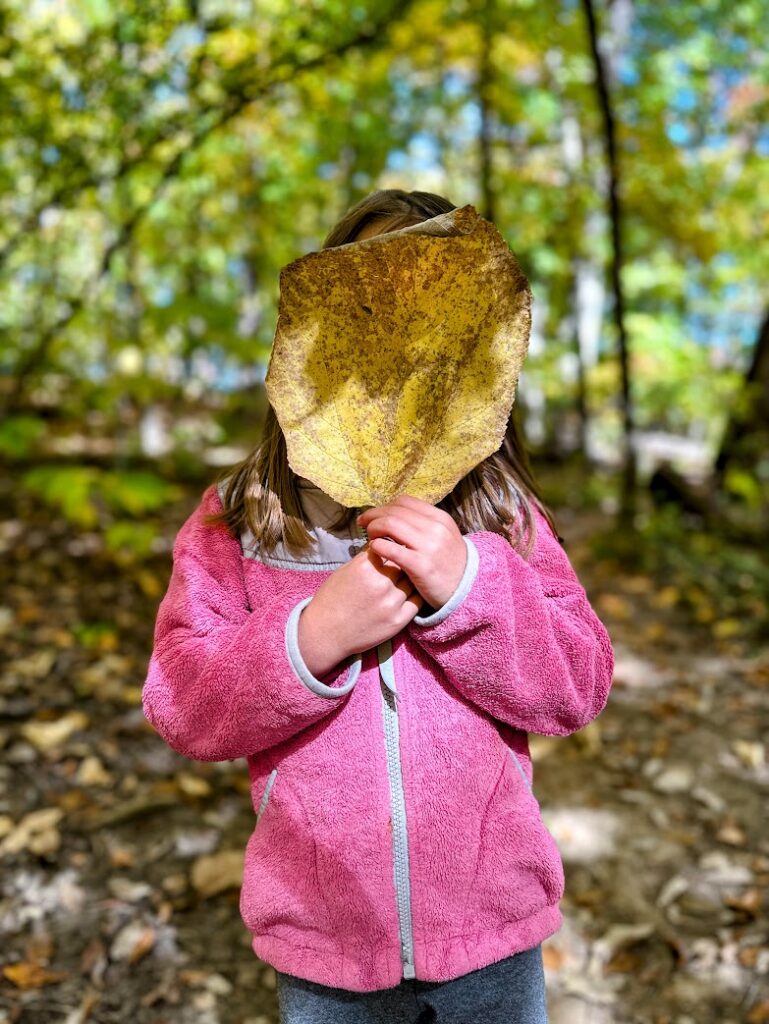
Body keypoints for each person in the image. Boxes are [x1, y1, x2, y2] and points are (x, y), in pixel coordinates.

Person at [141, 188, 616, 1024]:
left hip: (492, 937)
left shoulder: (501, 517)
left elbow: (577, 685)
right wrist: (309, 640)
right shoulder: (244, 518)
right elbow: (182, 702)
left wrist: (469, 588)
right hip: (324, 948)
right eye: (369, 305)